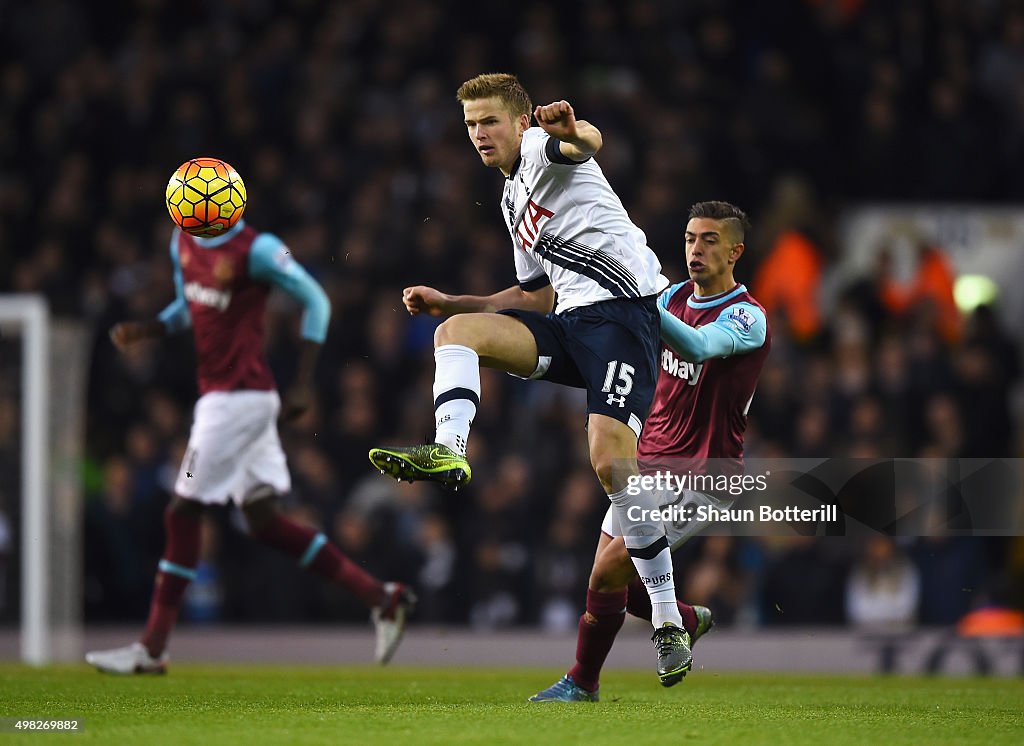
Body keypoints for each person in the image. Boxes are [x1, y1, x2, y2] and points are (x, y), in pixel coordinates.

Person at [367, 73, 690, 684]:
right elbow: (534, 295)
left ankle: (670, 620)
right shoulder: (512, 199)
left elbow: (585, 142)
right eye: (469, 125)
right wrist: (453, 301)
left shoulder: (545, 148)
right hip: (569, 322)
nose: (478, 135)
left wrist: (575, 130)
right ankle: (450, 449)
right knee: (455, 335)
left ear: (519, 122)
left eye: (488, 121)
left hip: (624, 317)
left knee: (610, 464)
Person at [86, 218, 415, 674]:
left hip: (234, 401)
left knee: (181, 511)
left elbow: (315, 299)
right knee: (265, 521)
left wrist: (302, 381)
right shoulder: (182, 242)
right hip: (236, 400)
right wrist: (152, 329)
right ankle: (382, 598)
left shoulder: (257, 249)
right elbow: (189, 305)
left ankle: (152, 648)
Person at [530, 201, 771, 701]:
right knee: (616, 578)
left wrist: (637, 306)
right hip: (647, 461)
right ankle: (682, 618)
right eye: (688, 238)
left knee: (609, 568)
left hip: (705, 474)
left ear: (735, 252)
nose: (695, 249)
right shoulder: (671, 297)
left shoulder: (749, 317)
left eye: (708, 240)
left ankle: (582, 682)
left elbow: (700, 348)